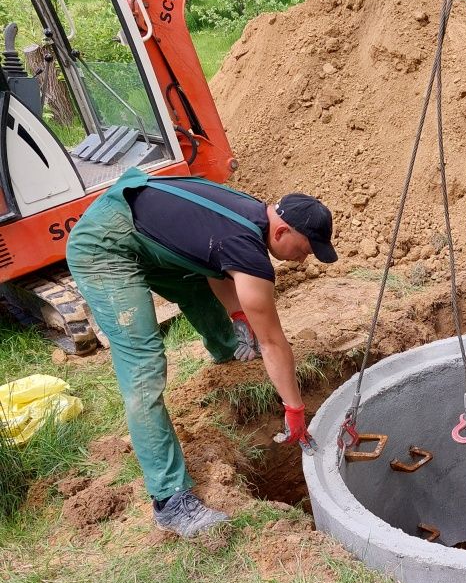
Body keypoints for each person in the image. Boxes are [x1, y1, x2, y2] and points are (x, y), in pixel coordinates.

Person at [66, 167, 337, 537]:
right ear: (282, 232)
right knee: (144, 366)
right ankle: (170, 500)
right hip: (106, 246)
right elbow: (274, 341)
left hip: (143, 230)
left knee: (196, 286)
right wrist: (294, 408)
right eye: (305, 250)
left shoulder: (250, 212)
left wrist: (239, 317)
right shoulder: (249, 250)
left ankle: (231, 353)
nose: (303, 260)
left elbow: (212, 263)